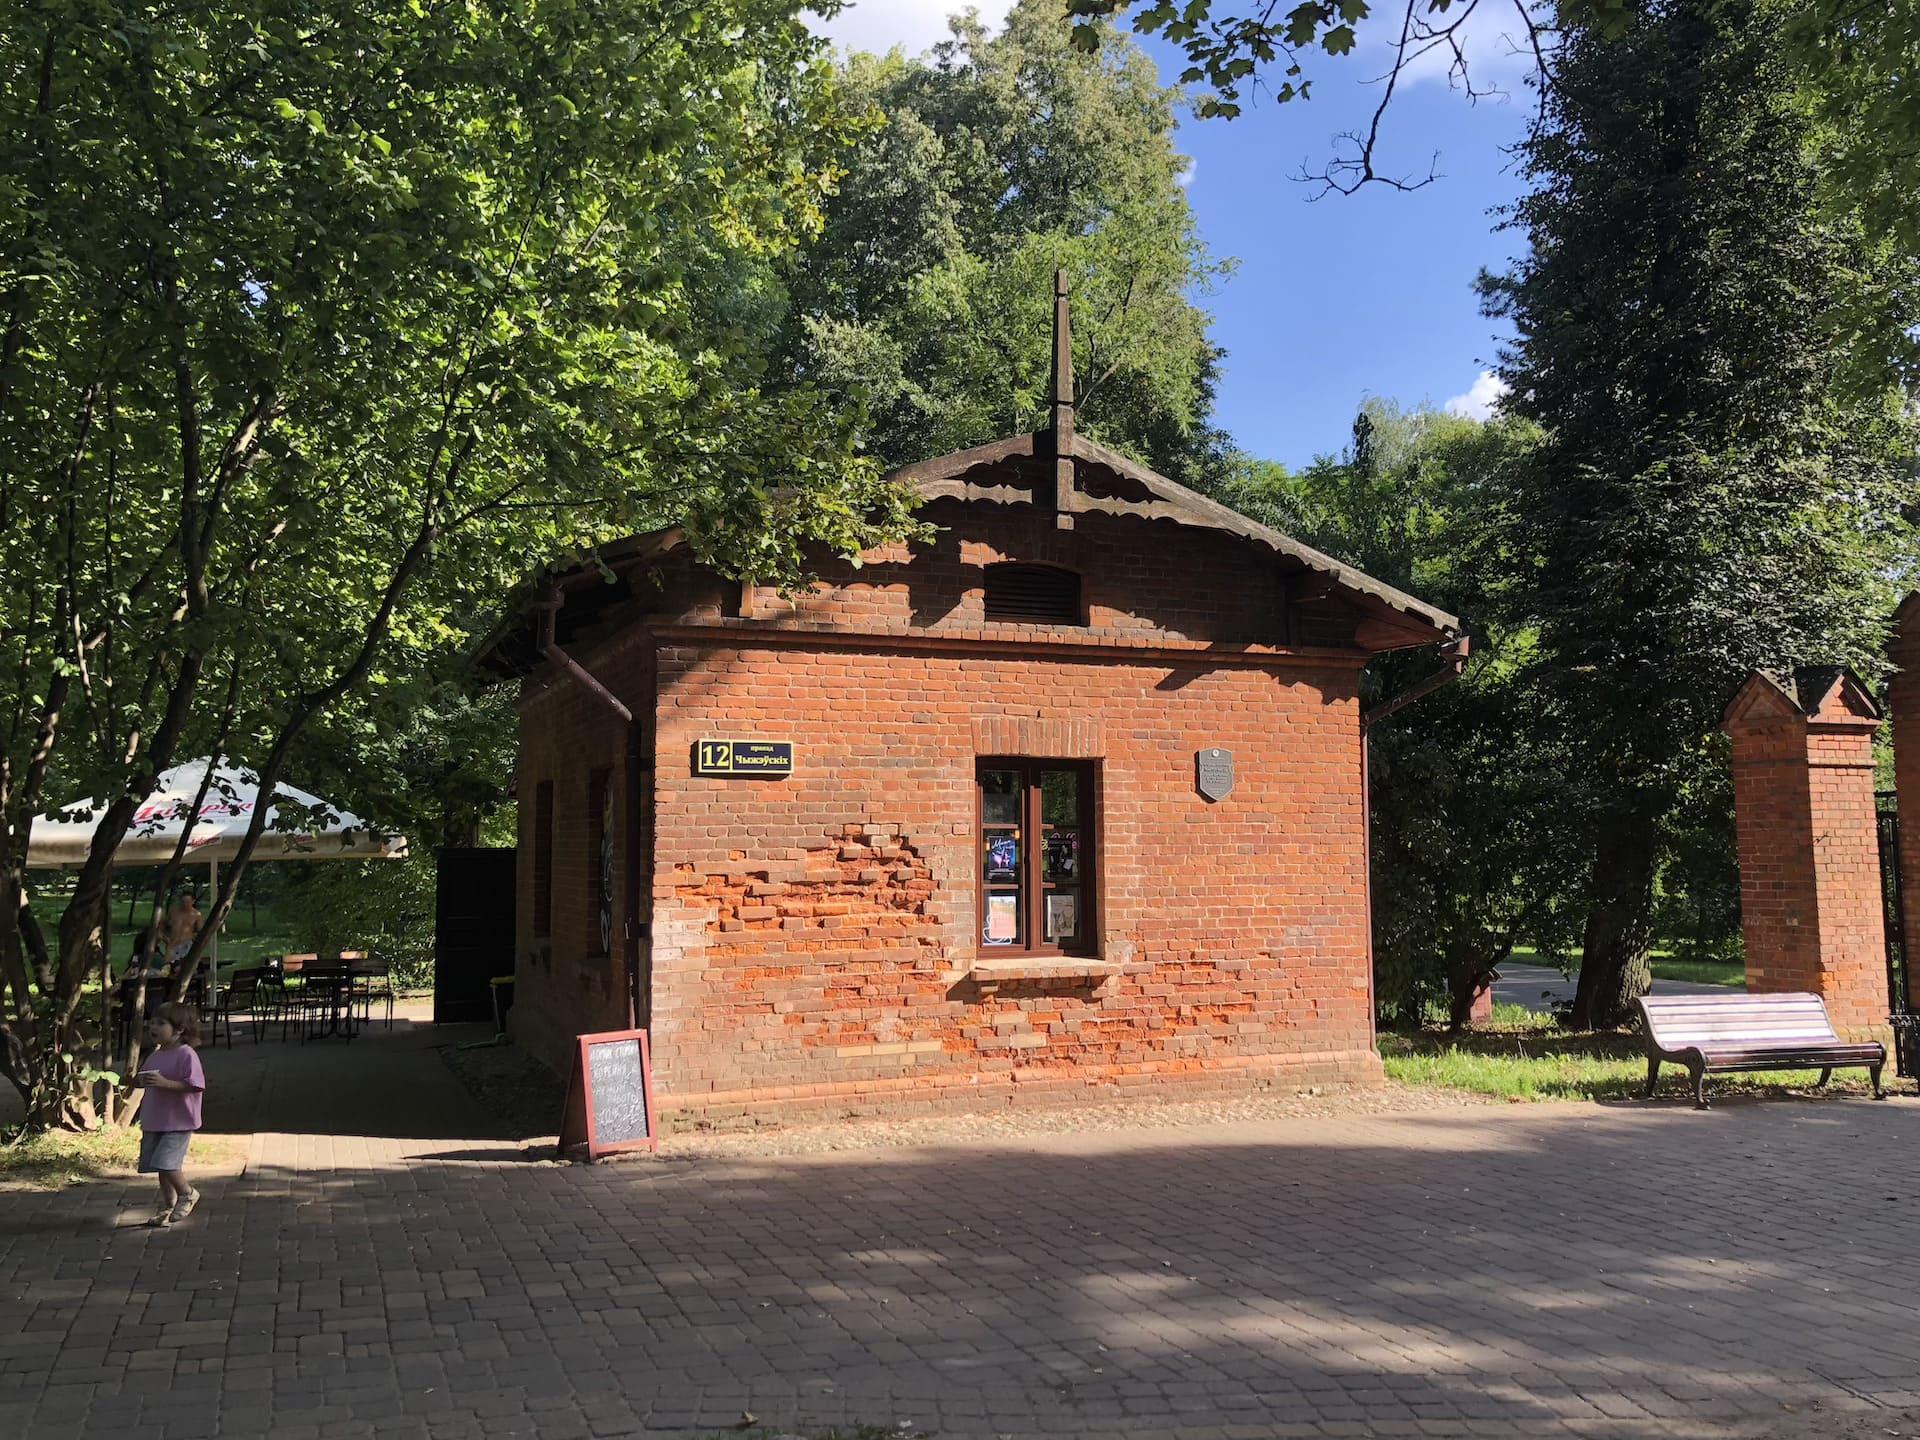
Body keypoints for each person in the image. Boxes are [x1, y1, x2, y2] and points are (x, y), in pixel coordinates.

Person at [130, 1002, 206, 1227]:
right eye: (152, 1022)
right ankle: (167, 1206)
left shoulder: (186, 1055)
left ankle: (187, 1192)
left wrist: (165, 1083)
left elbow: (195, 1085)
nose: (153, 1027)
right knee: (159, 1165)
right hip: (155, 1119)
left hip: (178, 1120)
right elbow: (147, 1080)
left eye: (161, 1023)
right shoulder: (155, 1055)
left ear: (179, 1029)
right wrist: (135, 1081)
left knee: (167, 1162)